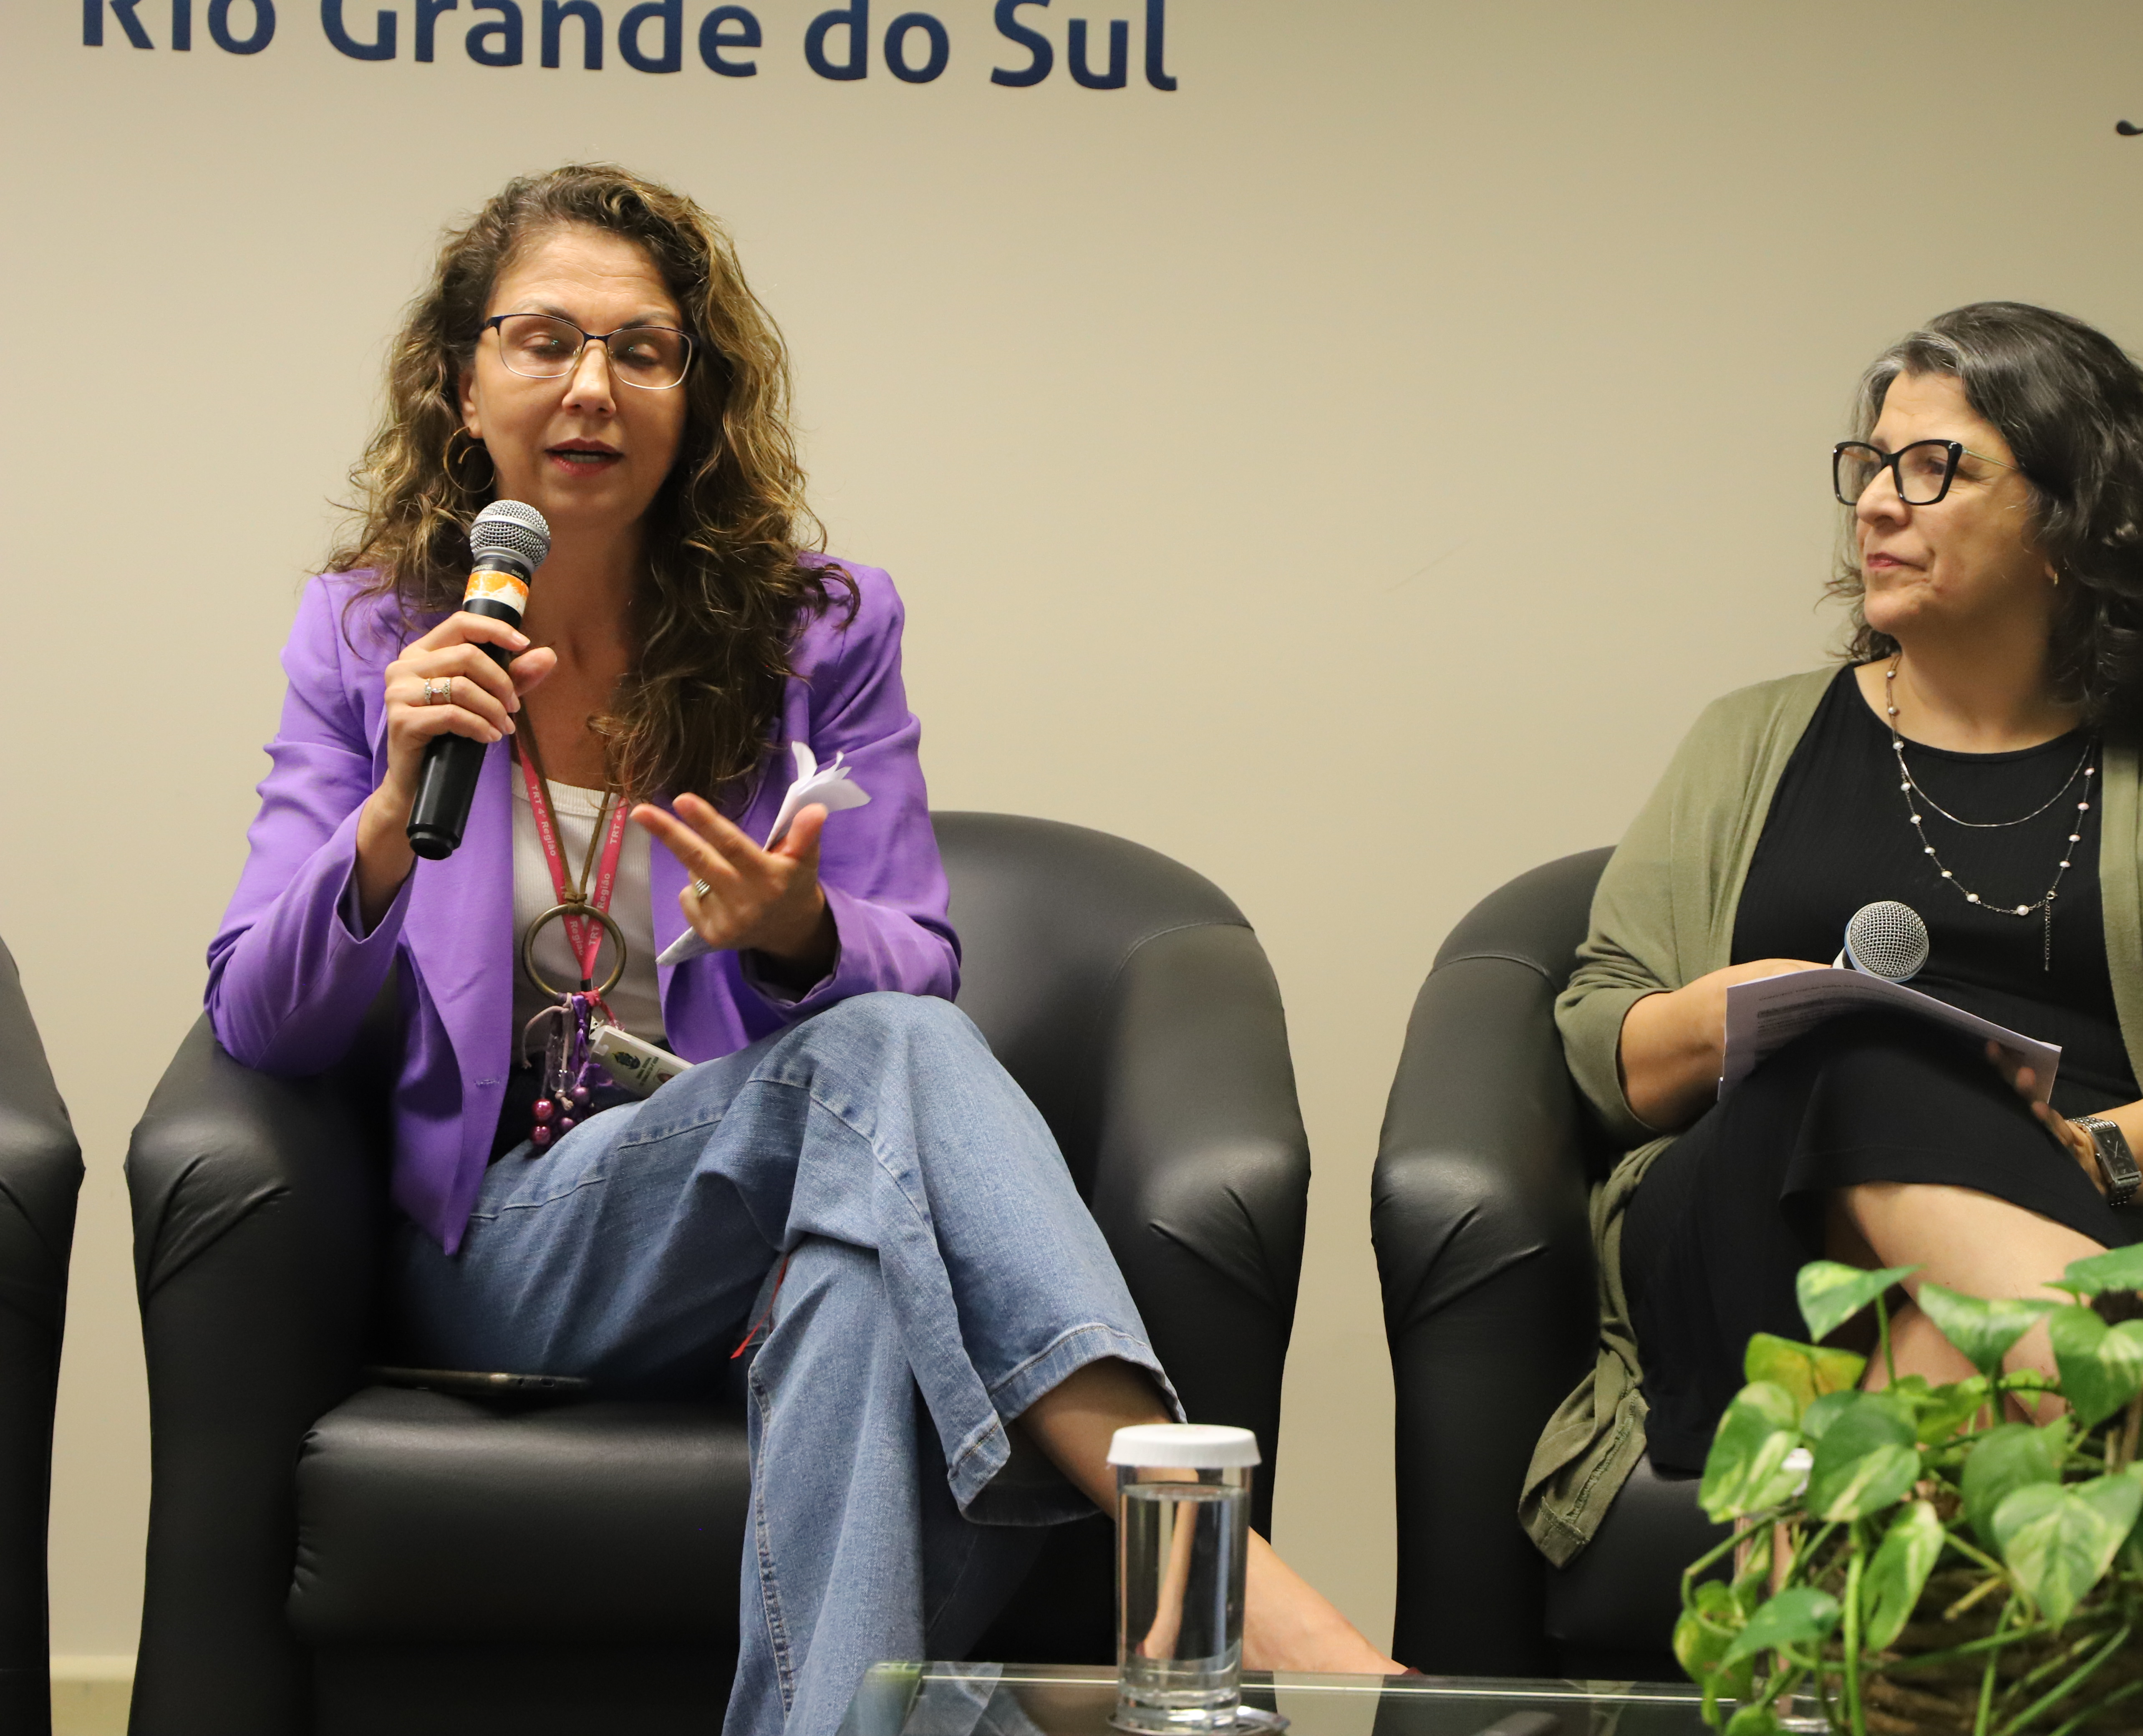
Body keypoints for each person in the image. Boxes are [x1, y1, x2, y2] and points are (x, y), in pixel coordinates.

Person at [206, 164, 1391, 1734]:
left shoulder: (821, 628)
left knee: (856, 1269)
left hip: (777, 1218)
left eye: (643, 349)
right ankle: (1208, 1556)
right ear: (461, 376)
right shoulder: (368, 641)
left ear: (699, 392)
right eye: (543, 339)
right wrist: (377, 820)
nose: (590, 387)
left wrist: (796, 938)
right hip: (513, 1247)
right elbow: (261, 1021)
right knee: (880, 1072)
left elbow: (919, 968)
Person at [1518, 302, 2143, 1566]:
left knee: (1934, 1341)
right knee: (1856, 1053)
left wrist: (2083, 1150)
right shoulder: (1748, 739)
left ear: (2071, 528)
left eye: (1934, 469)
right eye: (1869, 467)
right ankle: (2109, 1372)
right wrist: (1749, 1004)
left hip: (2089, 1193)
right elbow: (1608, 1042)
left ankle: (1864, 1633)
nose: (1874, 505)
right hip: (1756, 1225)